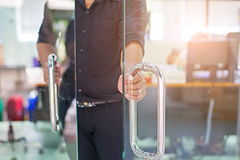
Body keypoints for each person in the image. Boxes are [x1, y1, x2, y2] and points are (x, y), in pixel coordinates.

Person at [37, 0, 148, 159]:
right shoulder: (60, 2)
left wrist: (131, 73)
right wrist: (49, 64)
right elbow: (45, 39)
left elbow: (132, 38)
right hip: (72, 107)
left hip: (111, 111)